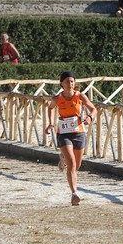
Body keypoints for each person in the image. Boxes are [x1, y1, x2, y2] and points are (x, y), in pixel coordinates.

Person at [45, 71, 97, 206]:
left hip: (78, 132)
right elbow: (50, 108)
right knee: (72, 164)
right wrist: (50, 123)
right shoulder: (57, 98)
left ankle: (64, 159)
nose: (70, 84)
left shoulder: (80, 96)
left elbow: (93, 109)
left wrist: (90, 117)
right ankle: (74, 193)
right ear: (61, 84)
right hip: (63, 133)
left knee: (76, 166)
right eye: (67, 81)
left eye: (72, 81)